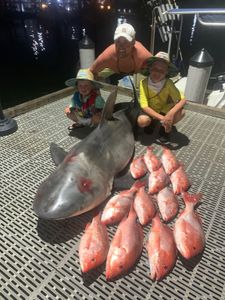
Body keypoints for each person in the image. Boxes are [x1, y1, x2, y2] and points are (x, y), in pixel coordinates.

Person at [137, 51, 186, 143]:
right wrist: (163, 119)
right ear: (150, 69)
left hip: (164, 109)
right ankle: (152, 124)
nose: (157, 73)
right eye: (155, 69)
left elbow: (183, 100)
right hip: (150, 110)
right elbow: (144, 106)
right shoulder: (143, 83)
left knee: (181, 112)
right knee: (142, 121)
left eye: (162, 71)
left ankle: (164, 129)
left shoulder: (169, 83)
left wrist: (170, 114)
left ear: (166, 72)